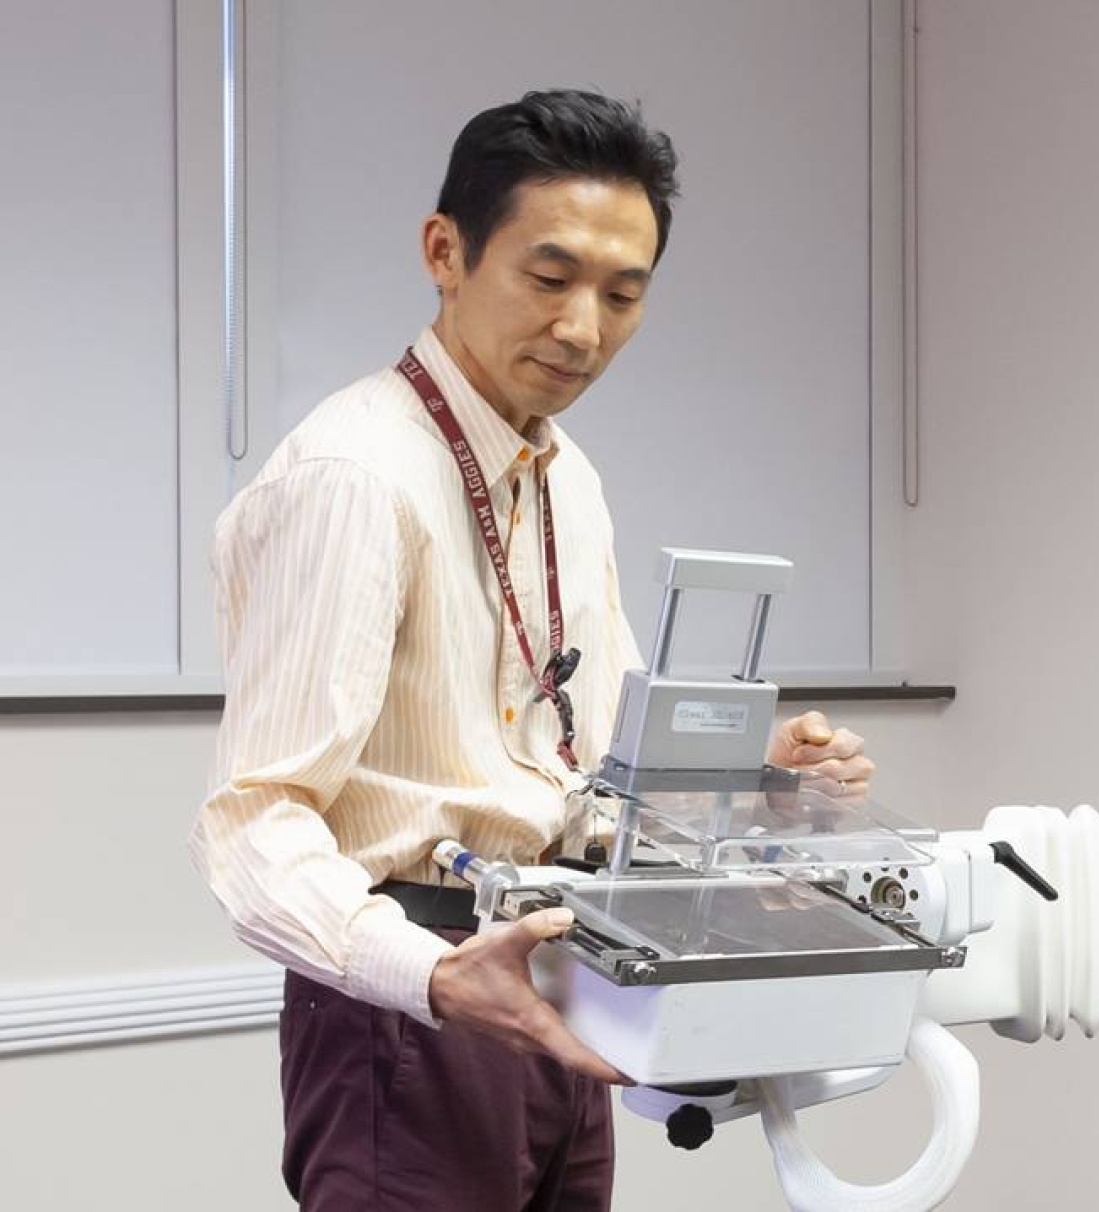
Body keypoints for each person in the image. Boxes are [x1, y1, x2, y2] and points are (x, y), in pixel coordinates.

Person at [190, 88, 876, 1212]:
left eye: (623, 294)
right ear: (444, 252)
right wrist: (436, 979)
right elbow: (252, 819)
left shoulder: (567, 478)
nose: (583, 330)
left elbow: (592, 778)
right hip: (410, 1002)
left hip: (553, 972)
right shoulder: (354, 477)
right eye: (549, 280)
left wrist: (764, 789)